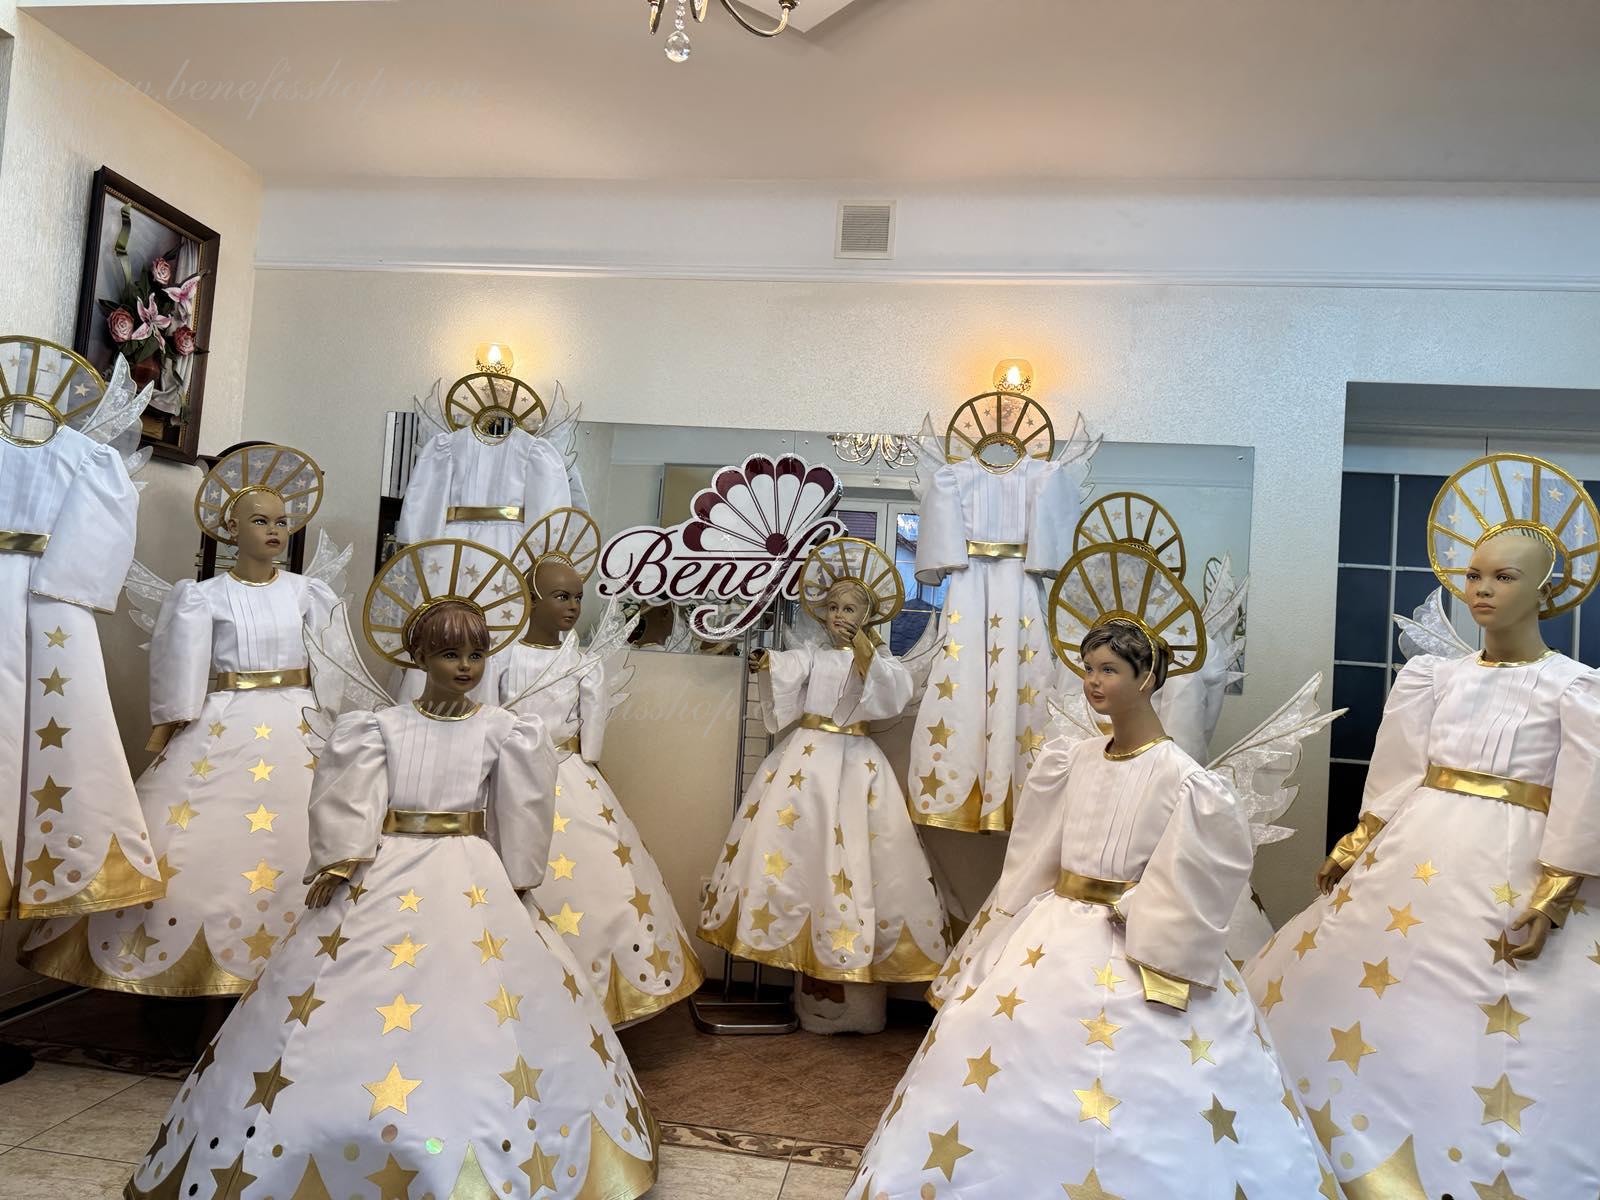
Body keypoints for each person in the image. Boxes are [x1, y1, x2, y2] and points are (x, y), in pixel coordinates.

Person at [123, 539, 658, 1200]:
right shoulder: (379, 728)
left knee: (483, 988)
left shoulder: (505, 730)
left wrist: (520, 875)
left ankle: (489, 1137)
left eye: (476, 655)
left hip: (471, 870)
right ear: (419, 656)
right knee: (346, 982)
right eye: (450, 655)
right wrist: (339, 859)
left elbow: (522, 808)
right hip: (388, 865)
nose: (465, 668)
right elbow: (350, 801)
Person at [852, 539, 1338, 1198]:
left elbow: (1196, 876)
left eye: (1108, 669)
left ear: (1146, 677)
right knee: (999, 1041)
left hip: (1139, 942)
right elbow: (1035, 855)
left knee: (1142, 1073)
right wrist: (1000, 927)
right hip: (1053, 933)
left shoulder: (1185, 780)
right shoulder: (1071, 760)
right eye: (1087, 668)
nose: (1093, 681)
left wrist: (1142, 913)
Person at [1247, 452, 1600, 1199]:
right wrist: (1357, 842)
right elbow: (1400, 768)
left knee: (1489, 1009)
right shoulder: (1436, 676)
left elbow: (1583, 794)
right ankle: (1344, 1134)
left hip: (1512, 858)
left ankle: (1475, 1153)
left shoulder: (1574, 689)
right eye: (1474, 575)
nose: (1481, 590)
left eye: (1504, 577)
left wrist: (1553, 893)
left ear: (1545, 590)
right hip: (1418, 847)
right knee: (1371, 982)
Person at [23, 444, 344, 995]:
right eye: (260, 521)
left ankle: (301, 966)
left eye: (281, 522)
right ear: (231, 528)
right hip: (227, 718)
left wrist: (334, 723)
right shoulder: (202, 597)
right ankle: (193, 962)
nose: (274, 531)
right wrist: (177, 720)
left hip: (300, 722)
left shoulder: (308, 593)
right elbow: (182, 668)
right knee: (195, 839)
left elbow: (332, 665)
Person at [699, 536, 950, 1033]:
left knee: (855, 855)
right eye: (833, 607)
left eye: (849, 608)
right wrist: (768, 662)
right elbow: (793, 667)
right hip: (805, 765)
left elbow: (892, 693)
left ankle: (847, 969)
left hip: (855, 764)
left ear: (868, 616)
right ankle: (800, 953)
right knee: (801, 852)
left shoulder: (877, 660)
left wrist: (866, 652)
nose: (839, 615)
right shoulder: (815, 655)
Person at [497, 507, 704, 1026]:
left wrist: (589, 763)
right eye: (560, 596)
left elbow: (592, 729)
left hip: (569, 774)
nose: (572, 607)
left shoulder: (583, 663)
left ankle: (599, 989)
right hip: (507, 777)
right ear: (531, 599)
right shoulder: (501, 657)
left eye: (577, 597)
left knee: (600, 881)